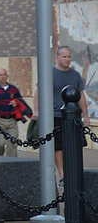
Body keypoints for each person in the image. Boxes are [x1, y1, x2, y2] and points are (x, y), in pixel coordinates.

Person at [33, 46, 91, 184]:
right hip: (55, 115)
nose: (67, 59)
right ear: (57, 57)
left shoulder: (75, 75)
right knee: (58, 147)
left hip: (73, 117)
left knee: (75, 145)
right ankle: (63, 175)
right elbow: (38, 91)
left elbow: (81, 94)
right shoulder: (49, 73)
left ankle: (75, 172)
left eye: (69, 56)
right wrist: (36, 110)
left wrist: (86, 115)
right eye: (64, 57)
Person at [0, 67, 27, 157]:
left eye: (4, 75)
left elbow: (21, 101)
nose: (2, 77)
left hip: (11, 120)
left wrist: (16, 103)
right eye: (0, 75)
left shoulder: (14, 89)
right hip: (0, 120)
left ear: (7, 76)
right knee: (0, 143)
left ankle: (11, 164)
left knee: (13, 143)